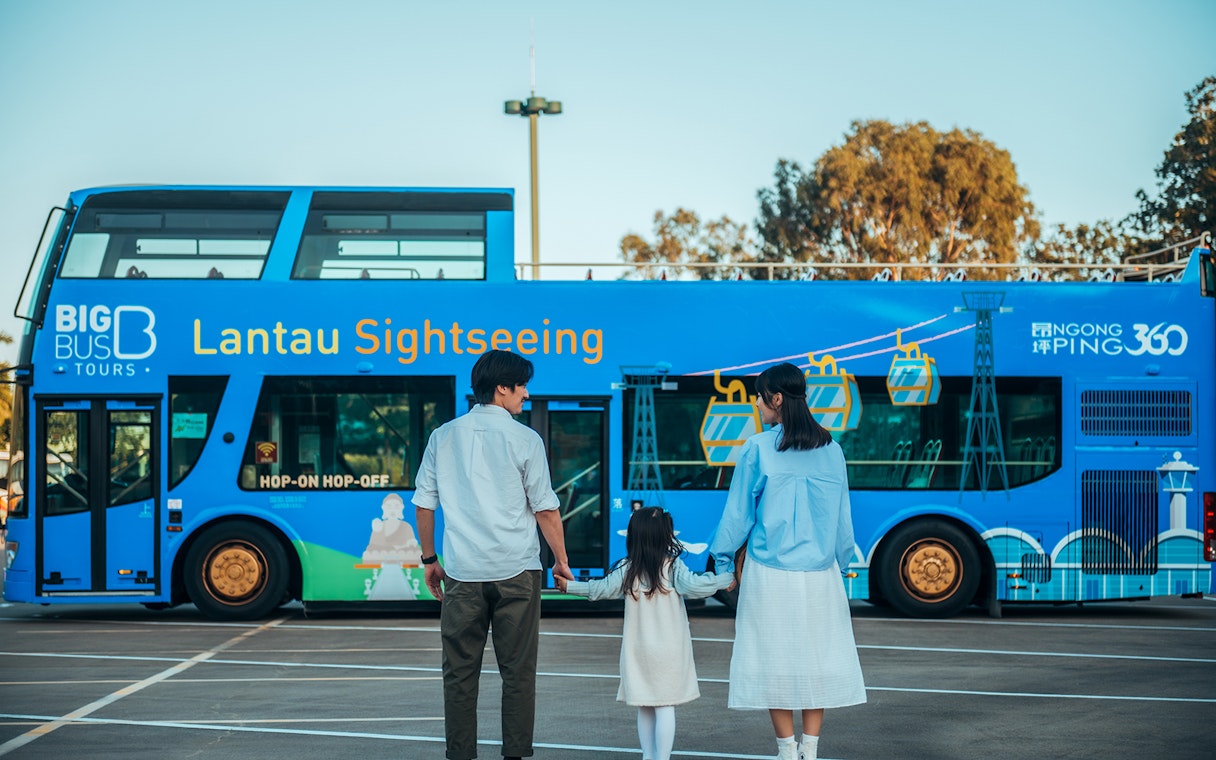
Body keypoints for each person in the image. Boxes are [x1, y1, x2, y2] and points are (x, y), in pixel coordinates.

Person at [413, 349, 574, 760]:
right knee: (518, 673)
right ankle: (515, 755)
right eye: (521, 386)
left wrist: (430, 561)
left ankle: (461, 755)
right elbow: (545, 508)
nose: (526, 394)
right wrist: (560, 560)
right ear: (502, 388)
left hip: (463, 574)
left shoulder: (442, 436)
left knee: (459, 674)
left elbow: (424, 504)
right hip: (517, 572)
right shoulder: (525, 439)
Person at [708, 362, 866, 760]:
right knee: (819, 660)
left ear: (776, 399)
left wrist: (724, 561)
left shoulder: (758, 448)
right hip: (821, 575)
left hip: (769, 574)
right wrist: (842, 560)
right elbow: (843, 520)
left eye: (760, 397)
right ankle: (810, 750)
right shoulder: (833, 451)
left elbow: (738, 515)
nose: (758, 406)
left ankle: (785, 750)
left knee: (772, 661)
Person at [557, 507, 734, 760]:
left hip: (638, 649)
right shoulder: (672, 566)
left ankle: (648, 757)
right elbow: (696, 586)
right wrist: (724, 579)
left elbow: (598, 589)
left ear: (634, 536)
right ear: (665, 536)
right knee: (665, 705)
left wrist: (569, 586)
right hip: (670, 649)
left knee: (645, 705)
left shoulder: (627, 568)